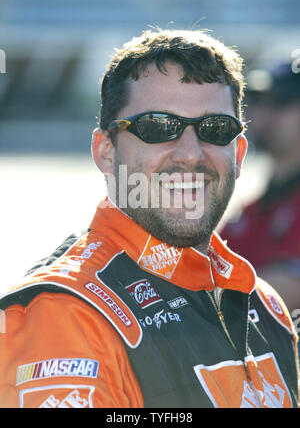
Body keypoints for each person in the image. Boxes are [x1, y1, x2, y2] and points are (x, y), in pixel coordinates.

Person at [0, 29, 299, 409]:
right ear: (105, 152)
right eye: (158, 127)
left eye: (214, 129)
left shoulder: (266, 306)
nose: (191, 155)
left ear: (238, 154)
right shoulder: (65, 314)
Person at [221, 64, 300, 314]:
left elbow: (277, 297)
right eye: (257, 101)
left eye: (280, 102)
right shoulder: (249, 212)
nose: (261, 113)